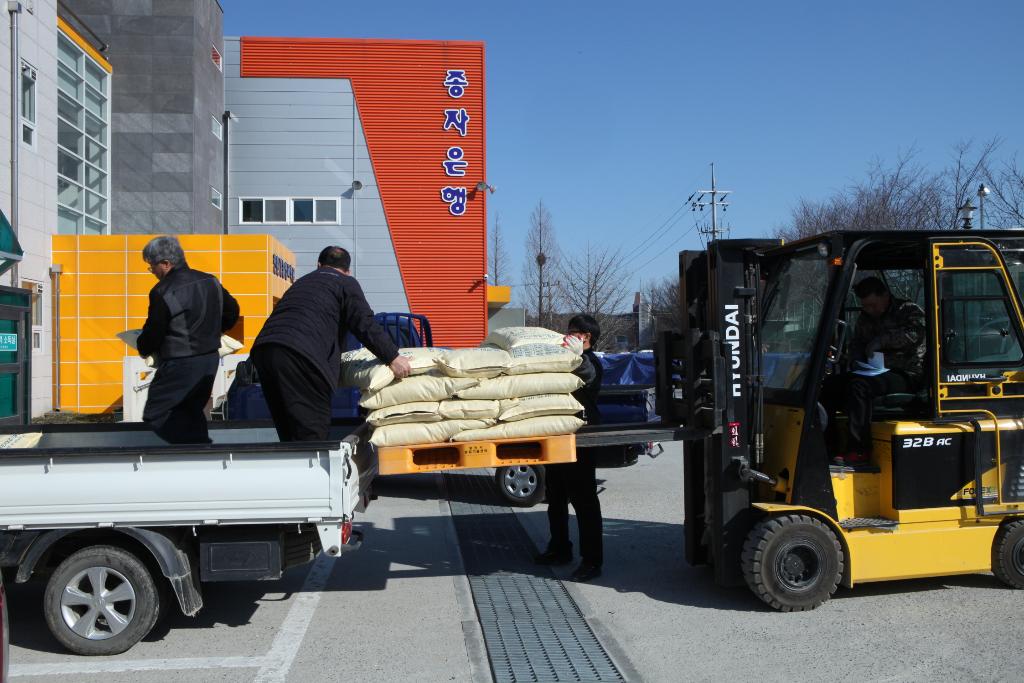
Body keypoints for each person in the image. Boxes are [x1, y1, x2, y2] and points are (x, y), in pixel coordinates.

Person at [251, 246, 412, 442]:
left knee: (288, 430)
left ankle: (295, 468)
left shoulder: (303, 282)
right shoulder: (345, 282)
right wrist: (393, 357)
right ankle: (312, 470)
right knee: (312, 432)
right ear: (347, 271)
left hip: (264, 350)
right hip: (301, 355)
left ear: (318, 265)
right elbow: (364, 322)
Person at [137, 236, 240, 444]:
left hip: (180, 362)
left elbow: (154, 333)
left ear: (166, 263)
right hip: (209, 360)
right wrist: (214, 330)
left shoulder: (162, 291)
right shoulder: (210, 281)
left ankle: (183, 455)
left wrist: (142, 346)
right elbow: (233, 311)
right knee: (191, 410)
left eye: (152, 267)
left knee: (157, 413)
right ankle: (199, 451)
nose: (153, 272)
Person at [823, 276, 925, 465]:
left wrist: (881, 340)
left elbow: (915, 334)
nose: (871, 310)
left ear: (885, 295)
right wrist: (855, 359)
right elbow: (857, 343)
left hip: (906, 373)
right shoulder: (865, 318)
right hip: (873, 371)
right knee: (828, 386)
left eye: (873, 305)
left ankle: (859, 449)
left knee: (859, 387)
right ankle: (829, 445)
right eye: (866, 306)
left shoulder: (908, 310)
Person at [535, 313, 605, 582]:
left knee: (584, 500)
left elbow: (586, 375)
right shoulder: (566, 360)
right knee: (556, 495)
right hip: (558, 435)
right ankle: (560, 548)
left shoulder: (592, 363)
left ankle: (592, 561)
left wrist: (579, 357)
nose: (568, 335)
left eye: (573, 332)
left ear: (586, 337)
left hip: (582, 438)